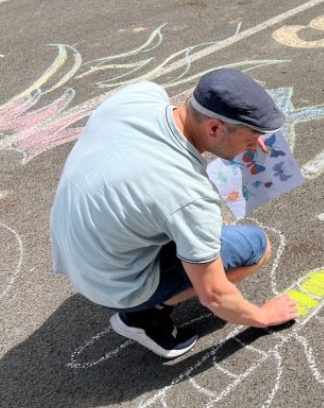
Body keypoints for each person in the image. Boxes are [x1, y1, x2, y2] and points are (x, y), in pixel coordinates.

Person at [50, 69, 299, 359]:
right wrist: (262, 316)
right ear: (215, 128)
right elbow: (214, 295)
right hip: (114, 287)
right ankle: (143, 315)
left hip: (76, 256)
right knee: (257, 246)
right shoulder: (190, 196)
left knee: (172, 226)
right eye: (250, 137)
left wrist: (243, 135)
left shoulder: (136, 97)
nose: (256, 145)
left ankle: (141, 293)